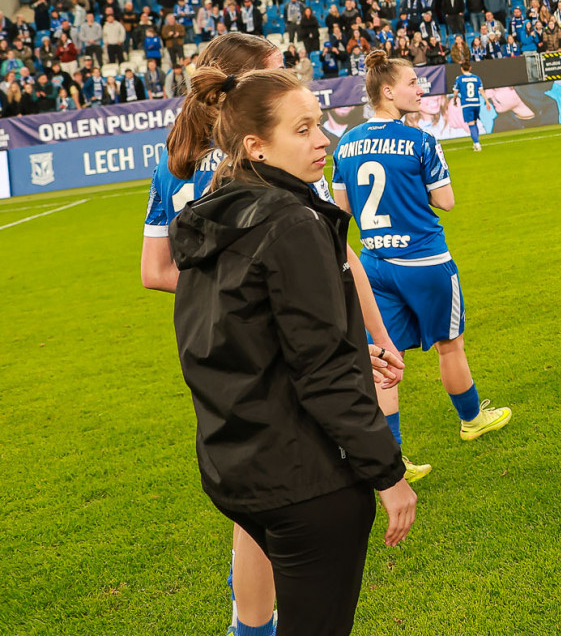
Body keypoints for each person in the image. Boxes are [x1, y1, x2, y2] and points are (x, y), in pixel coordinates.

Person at [141, 32, 406, 636]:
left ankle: (250, 625)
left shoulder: (211, 212)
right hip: (302, 474)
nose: (323, 140)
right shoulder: (290, 216)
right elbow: (320, 366)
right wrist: (388, 474)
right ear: (255, 143)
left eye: (318, 124)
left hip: (235, 463)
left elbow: (236, 333)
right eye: (304, 128)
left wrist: (336, 341)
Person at [331, 51, 512, 483]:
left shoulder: (345, 143)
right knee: (450, 345)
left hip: (374, 264)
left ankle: (392, 457)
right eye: (412, 82)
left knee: (385, 359)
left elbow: (342, 209)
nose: (420, 88)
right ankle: (472, 419)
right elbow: (445, 200)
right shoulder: (420, 140)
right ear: (388, 91)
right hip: (425, 262)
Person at [453, 58, 489, 149]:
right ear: (470, 68)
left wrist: (454, 100)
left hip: (467, 104)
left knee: (471, 124)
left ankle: (477, 143)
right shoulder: (476, 78)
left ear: (461, 68)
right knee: (475, 122)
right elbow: (482, 91)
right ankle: (475, 142)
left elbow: (455, 92)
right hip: (476, 104)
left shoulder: (459, 79)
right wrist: (487, 101)